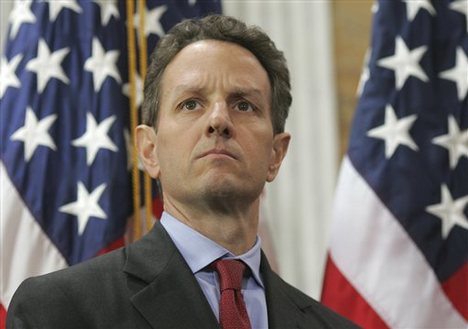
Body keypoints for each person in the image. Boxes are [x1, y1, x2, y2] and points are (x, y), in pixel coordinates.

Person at [7, 15, 360, 329]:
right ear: (149, 150)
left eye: (243, 104)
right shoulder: (60, 311)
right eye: (191, 103)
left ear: (276, 154)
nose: (219, 120)